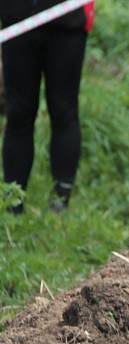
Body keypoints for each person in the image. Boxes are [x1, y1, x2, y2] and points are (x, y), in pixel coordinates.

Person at [1, 0, 95, 214]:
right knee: (18, 113)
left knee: (64, 110)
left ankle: (61, 201)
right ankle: (13, 204)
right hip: (18, 19)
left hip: (67, 22)